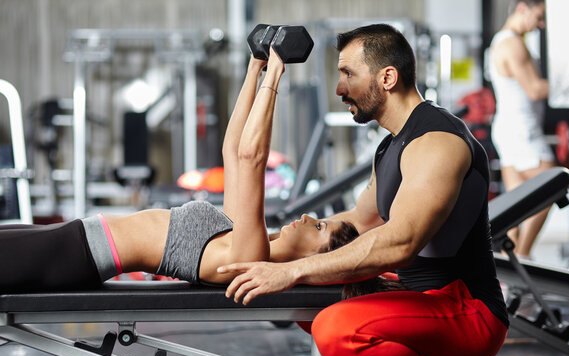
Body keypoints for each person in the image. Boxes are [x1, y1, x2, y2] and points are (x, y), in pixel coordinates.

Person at [219, 24, 508, 356]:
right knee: (311, 289)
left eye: (348, 74)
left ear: (388, 77)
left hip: (468, 312)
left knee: (335, 328)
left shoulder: (438, 142)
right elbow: (359, 220)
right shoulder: (390, 147)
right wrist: (271, 245)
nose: (340, 89)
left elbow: (399, 242)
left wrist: (293, 270)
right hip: (420, 297)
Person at [0, 48, 359, 294]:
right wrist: (256, 69)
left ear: (315, 258)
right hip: (78, 238)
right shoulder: (248, 241)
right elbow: (233, 152)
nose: (312, 217)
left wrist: (275, 75)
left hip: (78, 254)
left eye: (322, 227)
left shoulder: (251, 255)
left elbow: (252, 157)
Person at [489, 0, 554, 257]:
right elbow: (535, 89)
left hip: (510, 128)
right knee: (553, 184)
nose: (541, 24)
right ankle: (524, 258)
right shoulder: (512, 44)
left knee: (516, 208)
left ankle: (511, 272)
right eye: (539, 16)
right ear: (522, 8)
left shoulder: (502, 40)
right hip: (521, 131)